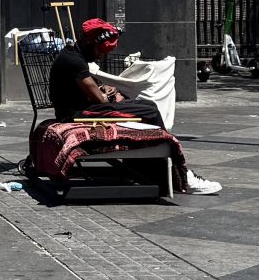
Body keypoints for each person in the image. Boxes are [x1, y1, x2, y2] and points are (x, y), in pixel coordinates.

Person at [49, 18, 222, 195]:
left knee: (145, 105)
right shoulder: (74, 61)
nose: (102, 55)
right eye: (100, 51)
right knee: (150, 110)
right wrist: (111, 96)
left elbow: (92, 89)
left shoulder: (71, 54)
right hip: (79, 113)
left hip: (80, 108)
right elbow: (100, 100)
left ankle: (149, 164)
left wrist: (110, 94)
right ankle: (178, 175)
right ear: (89, 42)